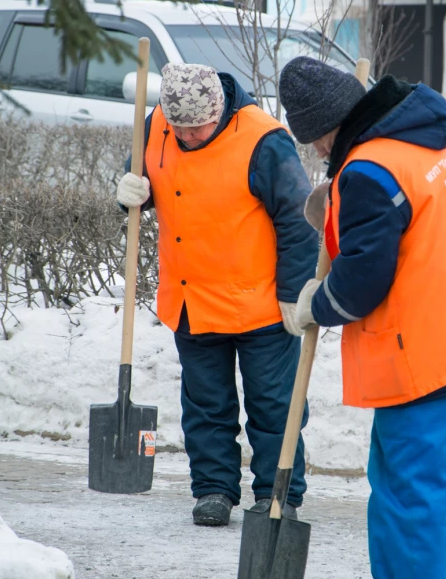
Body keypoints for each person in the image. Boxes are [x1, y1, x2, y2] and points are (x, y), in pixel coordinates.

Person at [279, 57, 446, 579]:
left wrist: (315, 304)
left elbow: (361, 282)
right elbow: (414, 219)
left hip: (420, 345)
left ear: (328, 128)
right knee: (437, 471)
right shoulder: (428, 131)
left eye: (314, 142)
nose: (315, 154)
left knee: (405, 477)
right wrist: (341, 210)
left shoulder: (367, 169)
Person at [117, 62, 318, 527]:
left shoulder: (264, 141)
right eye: (179, 128)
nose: (186, 137)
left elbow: (298, 221)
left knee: (273, 406)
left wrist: (293, 293)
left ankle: (277, 492)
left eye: (197, 128)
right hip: (192, 299)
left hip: (261, 304)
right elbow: (143, 177)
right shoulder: (158, 124)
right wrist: (130, 190)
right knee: (206, 406)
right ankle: (213, 489)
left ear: (221, 109)